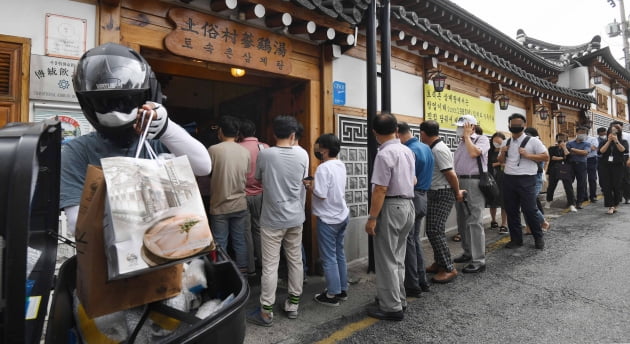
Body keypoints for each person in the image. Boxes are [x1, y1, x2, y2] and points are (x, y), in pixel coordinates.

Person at [60, 43, 211, 236]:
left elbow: (203, 166)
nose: (116, 112)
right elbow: (76, 224)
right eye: (104, 103)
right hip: (111, 260)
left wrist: (167, 129)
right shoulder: (77, 151)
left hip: (174, 253)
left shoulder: (160, 139)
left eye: (125, 102)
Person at [247, 115, 309, 327]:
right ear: (293, 135)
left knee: (270, 266)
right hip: (295, 218)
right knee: (295, 261)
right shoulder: (303, 155)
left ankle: (266, 311)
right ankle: (293, 304)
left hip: (272, 219)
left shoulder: (266, 155)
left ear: (274, 133)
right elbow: (304, 178)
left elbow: (256, 179)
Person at [364, 113, 415, 321]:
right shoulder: (406, 150)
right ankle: (398, 298)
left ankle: (391, 307)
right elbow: (413, 179)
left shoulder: (384, 154)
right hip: (407, 205)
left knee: (386, 260)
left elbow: (380, 189)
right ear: (396, 129)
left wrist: (372, 218)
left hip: (391, 206)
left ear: (375, 133)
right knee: (398, 257)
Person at [305, 133, 350, 307]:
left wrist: (310, 186)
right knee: (339, 253)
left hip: (328, 218)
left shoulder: (323, 168)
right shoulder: (340, 164)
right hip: (342, 214)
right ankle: (342, 289)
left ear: (323, 149)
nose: (316, 149)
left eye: (318, 146)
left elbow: (321, 194)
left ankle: (332, 294)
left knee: (329, 257)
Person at [420, 120, 464, 283]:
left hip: (442, 192)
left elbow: (451, 174)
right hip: (435, 191)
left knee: (435, 230)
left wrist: (457, 192)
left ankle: (448, 268)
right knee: (433, 229)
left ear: (423, 133)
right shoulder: (434, 147)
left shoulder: (439, 149)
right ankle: (439, 263)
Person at [498, 113, 549, 250]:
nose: (515, 127)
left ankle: (538, 238)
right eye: (512, 125)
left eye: (518, 125)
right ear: (509, 125)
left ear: (524, 125)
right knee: (512, 210)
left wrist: (528, 155)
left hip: (527, 178)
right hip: (509, 178)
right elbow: (500, 161)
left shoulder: (533, 141)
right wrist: (502, 152)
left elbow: (545, 157)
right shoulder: (506, 142)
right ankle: (516, 239)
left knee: (530, 210)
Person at [207, 115, 251, 274]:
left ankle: (222, 274)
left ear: (220, 131)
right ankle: (243, 274)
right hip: (240, 203)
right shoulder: (245, 152)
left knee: (220, 242)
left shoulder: (213, 150)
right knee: (240, 241)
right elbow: (246, 173)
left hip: (219, 204)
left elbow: (207, 172)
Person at [397, 121, 433, 296]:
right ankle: (422, 279)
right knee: (415, 240)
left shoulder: (409, 151)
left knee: (408, 242)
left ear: (397, 133)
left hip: (412, 197)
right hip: (423, 196)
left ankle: (412, 284)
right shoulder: (425, 147)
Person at [452, 115, 489, 273]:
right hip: (460, 181)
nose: (459, 129)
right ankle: (468, 252)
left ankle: (479, 259)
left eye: (462, 126)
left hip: (474, 181)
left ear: (471, 126)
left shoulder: (481, 139)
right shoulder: (461, 142)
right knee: (462, 219)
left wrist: (467, 136)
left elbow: (474, 154)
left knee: (474, 220)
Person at [239, 119, 269, 274]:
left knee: (246, 231)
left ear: (240, 133)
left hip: (242, 194)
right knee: (259, 228)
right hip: (261, 194)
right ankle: (264, 263)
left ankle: (249, 267)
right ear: (254, 132)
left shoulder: (237, 148)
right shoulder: (264, 147)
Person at [523, 127, 550, 233]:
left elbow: (545, 158)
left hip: (535, 177)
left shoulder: (538, 145)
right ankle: (529, 226)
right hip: (524, 177)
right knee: (526, 204)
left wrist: (527, 155)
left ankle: (543, 222)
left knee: (529, 203)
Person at [599, 123, 629, 214]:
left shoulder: (623, 141)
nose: (613, 133)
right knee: (606, 186)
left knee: (617, 185)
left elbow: (623, 150)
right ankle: (610, 206)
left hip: (618, 165)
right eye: (611, 131)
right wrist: (608, 141)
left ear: (618, 133)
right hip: (605, 166)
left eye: (615, 132)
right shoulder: (603, 141)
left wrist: (616, 141)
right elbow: (601, 151)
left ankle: (615, 204)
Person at [546, 133, 577, 212]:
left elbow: (569, 158)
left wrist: (564, 148)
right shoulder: (552, 148)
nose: (562, 141)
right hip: (554, 169)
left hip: (565, 170)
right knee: (551, 186)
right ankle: (548, 201)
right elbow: (553, 157)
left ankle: (571, 204)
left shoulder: (569, 148)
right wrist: (563, 158)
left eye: (564, 139)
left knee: (568, 187)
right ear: (557, 140)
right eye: (560, 139)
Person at [487, 132, 508, 233]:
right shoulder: (489, 151)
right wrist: (497, 163)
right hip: (491, 178)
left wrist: (497, 163)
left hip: (503, 177)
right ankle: (493, 220)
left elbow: (507, 163)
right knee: (492, 200)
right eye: (494, 141)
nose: (496, 143)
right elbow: (487, 164)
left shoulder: (506, 150)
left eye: (499, 142)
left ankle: (504, 224)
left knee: (504, 201)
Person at [566, 127, 591, 209]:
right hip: (571, 165)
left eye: (584, 133)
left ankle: (579, 202)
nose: (582, 134)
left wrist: (573, 150)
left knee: (581, 184)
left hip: (581, 165)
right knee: (568, 183)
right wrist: (577, 151)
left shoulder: (587, 144)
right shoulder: (570, 143)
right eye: (581, 132)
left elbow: (585, 153)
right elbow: (567, 152)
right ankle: (571, 201)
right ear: (576, 133)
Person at [610, 121, 630, 204]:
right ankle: (618, 197)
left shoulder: (627, 136)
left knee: (626, 179)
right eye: (613, 127)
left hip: (625, 157)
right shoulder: (610, 135)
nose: (615, 129)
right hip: (613, 158)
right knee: (615, 179)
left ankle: (627, 197)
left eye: (617, 127)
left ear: (621, 127)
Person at [585, 127, 600, 203]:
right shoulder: (576, 140)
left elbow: (594, 148)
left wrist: (584, 144)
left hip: (591, 159)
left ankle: (593, 196)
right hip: (581, 160)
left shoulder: (593, 139)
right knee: (582, 179)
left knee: (592, 178)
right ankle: (583, 196)